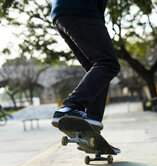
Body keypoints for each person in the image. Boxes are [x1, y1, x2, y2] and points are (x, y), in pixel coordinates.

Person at [51, 0, 120, 131]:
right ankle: (70, 107)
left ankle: (92, 121)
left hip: (61, 13)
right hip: (81, 9)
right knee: (108, 64)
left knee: (98, 70)